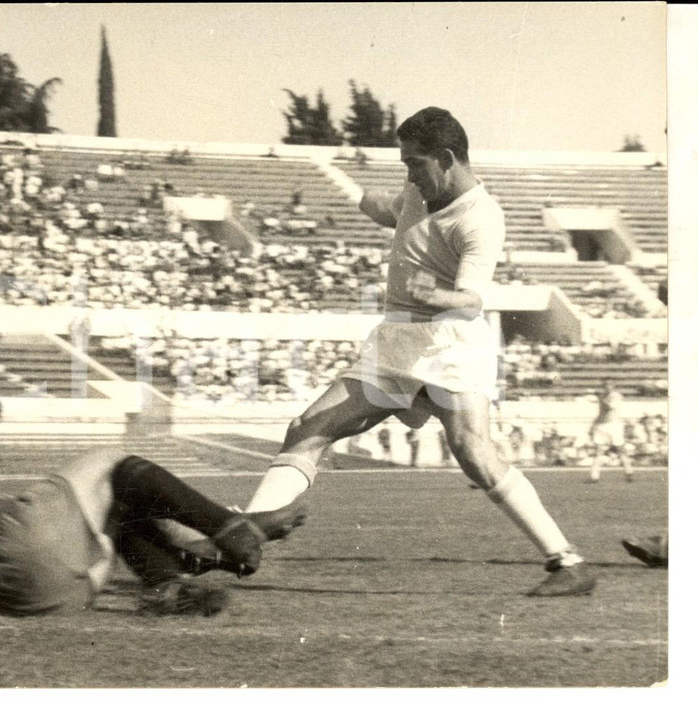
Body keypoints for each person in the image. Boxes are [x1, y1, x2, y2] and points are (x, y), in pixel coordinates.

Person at [244, 107, 595, 597]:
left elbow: (472, 300)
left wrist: (438, 296)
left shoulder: (481, 218)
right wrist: (342, 191)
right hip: (395, 343)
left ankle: (568, 563)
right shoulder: (417, 191)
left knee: (474, 453)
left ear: (447, 158)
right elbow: (391, 210)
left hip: (450, 345)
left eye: (415, 163)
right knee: (308, 428)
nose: (409, 173)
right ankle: (242, 539)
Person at [0, 372, 305, 617]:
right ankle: (231, 529)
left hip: (15, 602)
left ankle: (170, 580)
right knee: (113, 464)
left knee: (113, 502)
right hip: (16, 557)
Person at [588, 381, 634, 483]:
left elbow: (610, 407)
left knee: (620, 449)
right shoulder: (603, 396)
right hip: (601, 425)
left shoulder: (616, 396)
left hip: (614, 425)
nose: (607, 387)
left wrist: (600, 399)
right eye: (605, 385)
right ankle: (594, 476)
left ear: (613, 386)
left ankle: (628, 471)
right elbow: (601, 412)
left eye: (609, 385)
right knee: (599, 450)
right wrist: (593, 425)